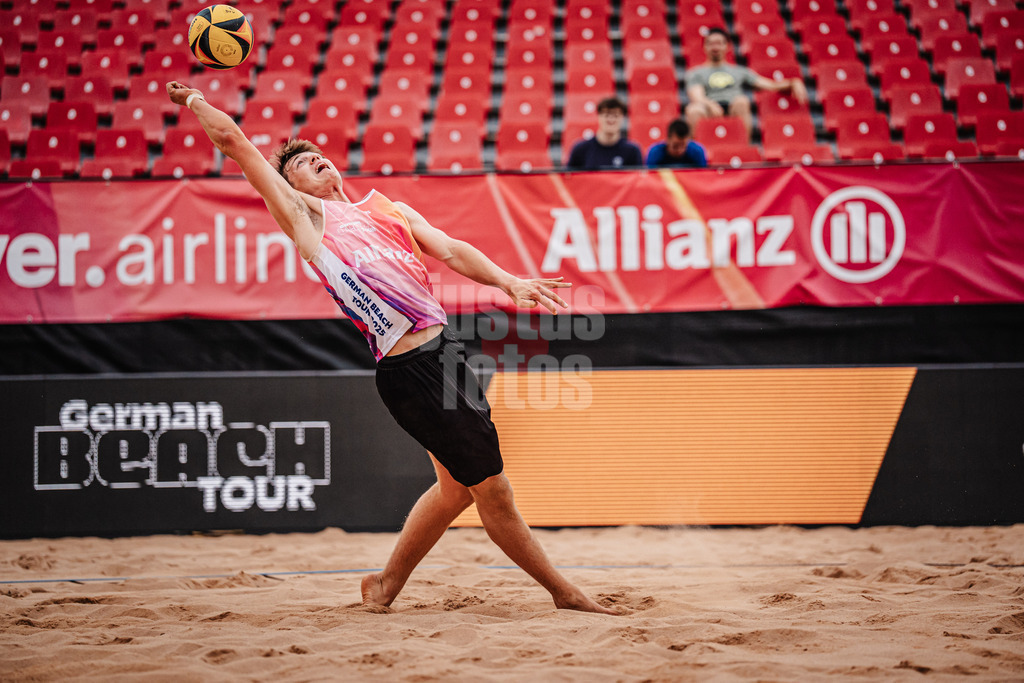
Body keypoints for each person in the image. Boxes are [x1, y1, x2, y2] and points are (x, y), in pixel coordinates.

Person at [165, 81, 616, 615]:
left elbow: (451, 249)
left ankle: (383, 587)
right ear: (291, 187)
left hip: (446, 353)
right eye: (304, 164)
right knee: (493, 493)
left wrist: (507, 282)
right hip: (409, 370)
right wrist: (195, 101)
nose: (319, 163)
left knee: (453, 491)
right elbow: (236, 142)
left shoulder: (387, 208)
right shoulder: (306, 218)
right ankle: (565, 594)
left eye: (320, 157)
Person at [685, 27, 808, 138]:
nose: (715, 47)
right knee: (693, 110)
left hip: (734, 106)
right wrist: (710, 104)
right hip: (709, 109)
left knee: (742, 101)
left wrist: (794, 82)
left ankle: (743, 146)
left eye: (719, 43)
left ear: (727, 46)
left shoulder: (739, 71)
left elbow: (770, 85)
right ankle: (700, 152)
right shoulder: (696, 73)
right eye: (711, 43)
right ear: (704, 47)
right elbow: (697, 96)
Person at [565, 97, 644, 170]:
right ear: (598, 117)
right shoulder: (581, 149)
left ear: (622, 118)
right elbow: (569, 180)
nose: (611, 119)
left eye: (616, 115)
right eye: (606, 115)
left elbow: (638, 181)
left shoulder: (632, 151)